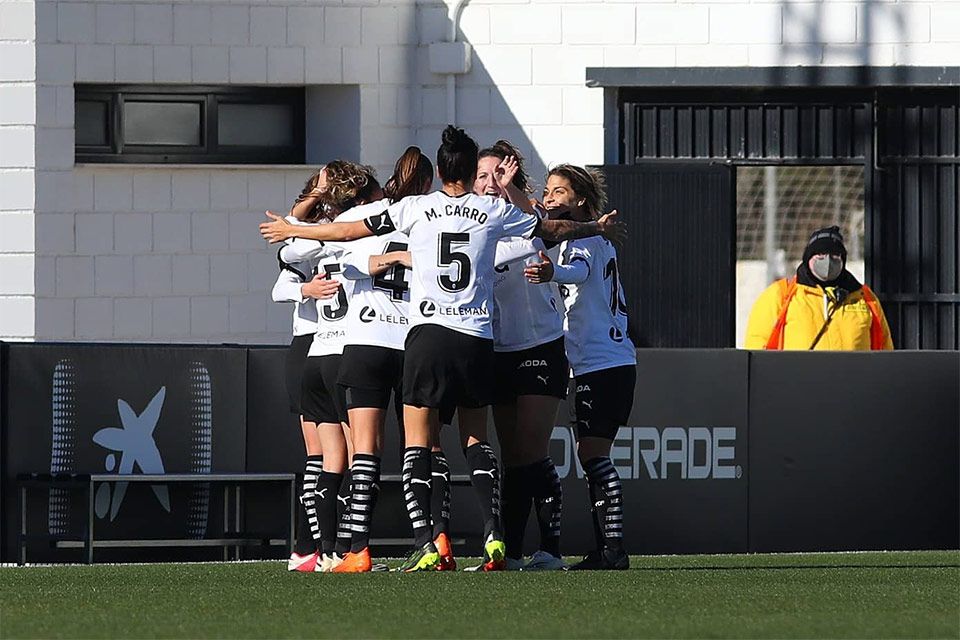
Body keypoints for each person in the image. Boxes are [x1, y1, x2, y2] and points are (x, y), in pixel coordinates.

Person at [260, 126, 626, 572]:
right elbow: (551, 227)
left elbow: (351, 229)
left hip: (428, 336)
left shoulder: (418, 207)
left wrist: (294, 227)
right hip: (477, 339)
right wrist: (594, 226)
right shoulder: (492, 211)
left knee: (420, 441)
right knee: (479, 440)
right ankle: (495, 534)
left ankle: (427, 543)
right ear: (472, 172)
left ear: (441, 170)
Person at [525, 164, 635, 570]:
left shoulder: (586, 240)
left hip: (601, 365)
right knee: (593, 455)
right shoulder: (593, 238)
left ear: (581, 200)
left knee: (593, 456)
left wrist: (554, 272)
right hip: (608, 361)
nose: (551, 198)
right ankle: (609, 548)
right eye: (549, 191)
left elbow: (579, 271)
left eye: (560, 192)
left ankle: (613, 550)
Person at [475, 141, 566, 571]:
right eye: (482, 176)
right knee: (512, 457)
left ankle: (551, 549)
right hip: (497, 350)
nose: (490, 183)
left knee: (532, 451)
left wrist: (513, 192)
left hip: (540, 346)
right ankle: (510, 553)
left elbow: (541, 227)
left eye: (498, 174)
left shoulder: (526, 210)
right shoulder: (470, 225)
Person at [272, 168, 342, 572]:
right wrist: (307, 290)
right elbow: (280, 282)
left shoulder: (345, 235)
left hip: (338, 347)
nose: (330, 206)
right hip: (309, 345)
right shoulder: (307, 242)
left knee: (339, 456)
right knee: (319, 454)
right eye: (325, 200)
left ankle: (325, 546)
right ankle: (307, 546)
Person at [744, 225, 893, 351]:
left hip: (853, 384)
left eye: (835, 255)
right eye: (820, 254)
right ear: (808, 257)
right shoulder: (781, 296)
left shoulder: (865, 298)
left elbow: (884, 349)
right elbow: (757, 347)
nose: (827, 260)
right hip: (796, 383)